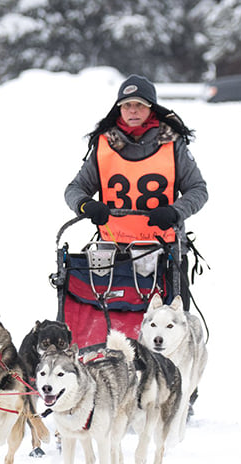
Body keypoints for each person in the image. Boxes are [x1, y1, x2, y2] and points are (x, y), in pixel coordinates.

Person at [64, 74, 208, 309]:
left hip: (165, 248)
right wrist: (85, 205)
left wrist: (174, 211)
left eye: (139, 105)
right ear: (118, 109)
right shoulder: (104, 144)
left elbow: (198, 189)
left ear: (151, 108)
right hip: (114, 251)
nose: (133, 111)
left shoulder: (172, 143)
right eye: (127, 105)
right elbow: (75, 189)